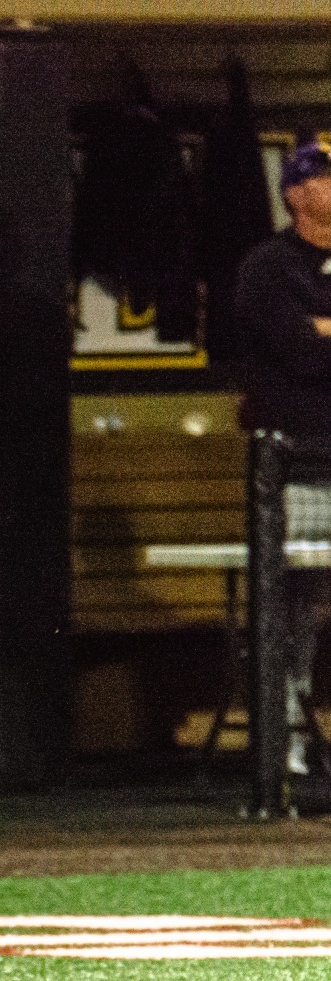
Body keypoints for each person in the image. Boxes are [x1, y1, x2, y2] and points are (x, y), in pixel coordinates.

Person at [235, 142, 331, 776]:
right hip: (294, 460)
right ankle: (283, 734)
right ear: (297, 193)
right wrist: (316, 333)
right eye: (326, 178)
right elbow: (302, 352)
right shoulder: (270, 266)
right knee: (291, 596)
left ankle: (303, 725)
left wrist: (323, 327)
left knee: (317, 606)